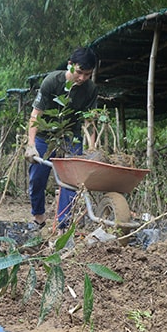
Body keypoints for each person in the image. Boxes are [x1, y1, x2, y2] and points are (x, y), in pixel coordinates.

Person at [24, 47, 98, 231]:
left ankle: (63, 225)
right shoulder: (52, 81)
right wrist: (31, 144)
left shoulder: (90, 89)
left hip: (71, 137)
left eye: (87, 74)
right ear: (70, 65)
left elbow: (90, 121)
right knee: (37, 179)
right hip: (45, 136)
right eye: (79, 72)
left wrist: (91, 149)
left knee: (71, 181)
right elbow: (36, 115)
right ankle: (39, 217)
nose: (82, 78)